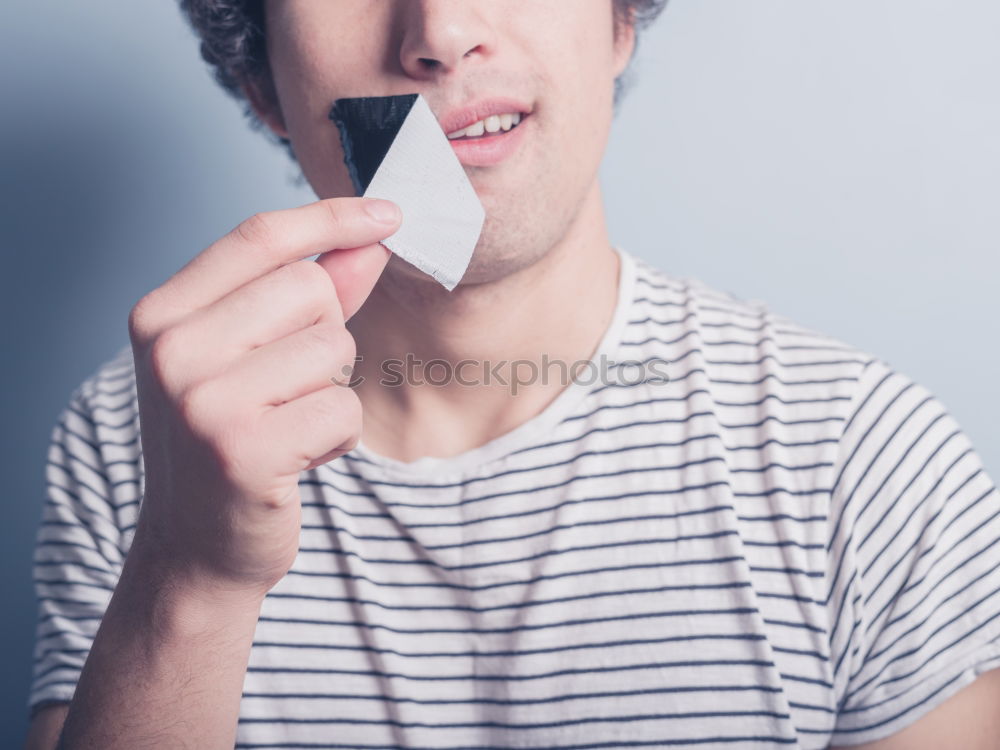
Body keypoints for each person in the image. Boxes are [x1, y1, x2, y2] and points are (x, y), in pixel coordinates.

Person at [24, 1, 1000, 748]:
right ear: (262, 85)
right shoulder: (138, 438)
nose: (441, 34)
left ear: (618, 21)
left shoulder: (861, 459)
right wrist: (191, 575)